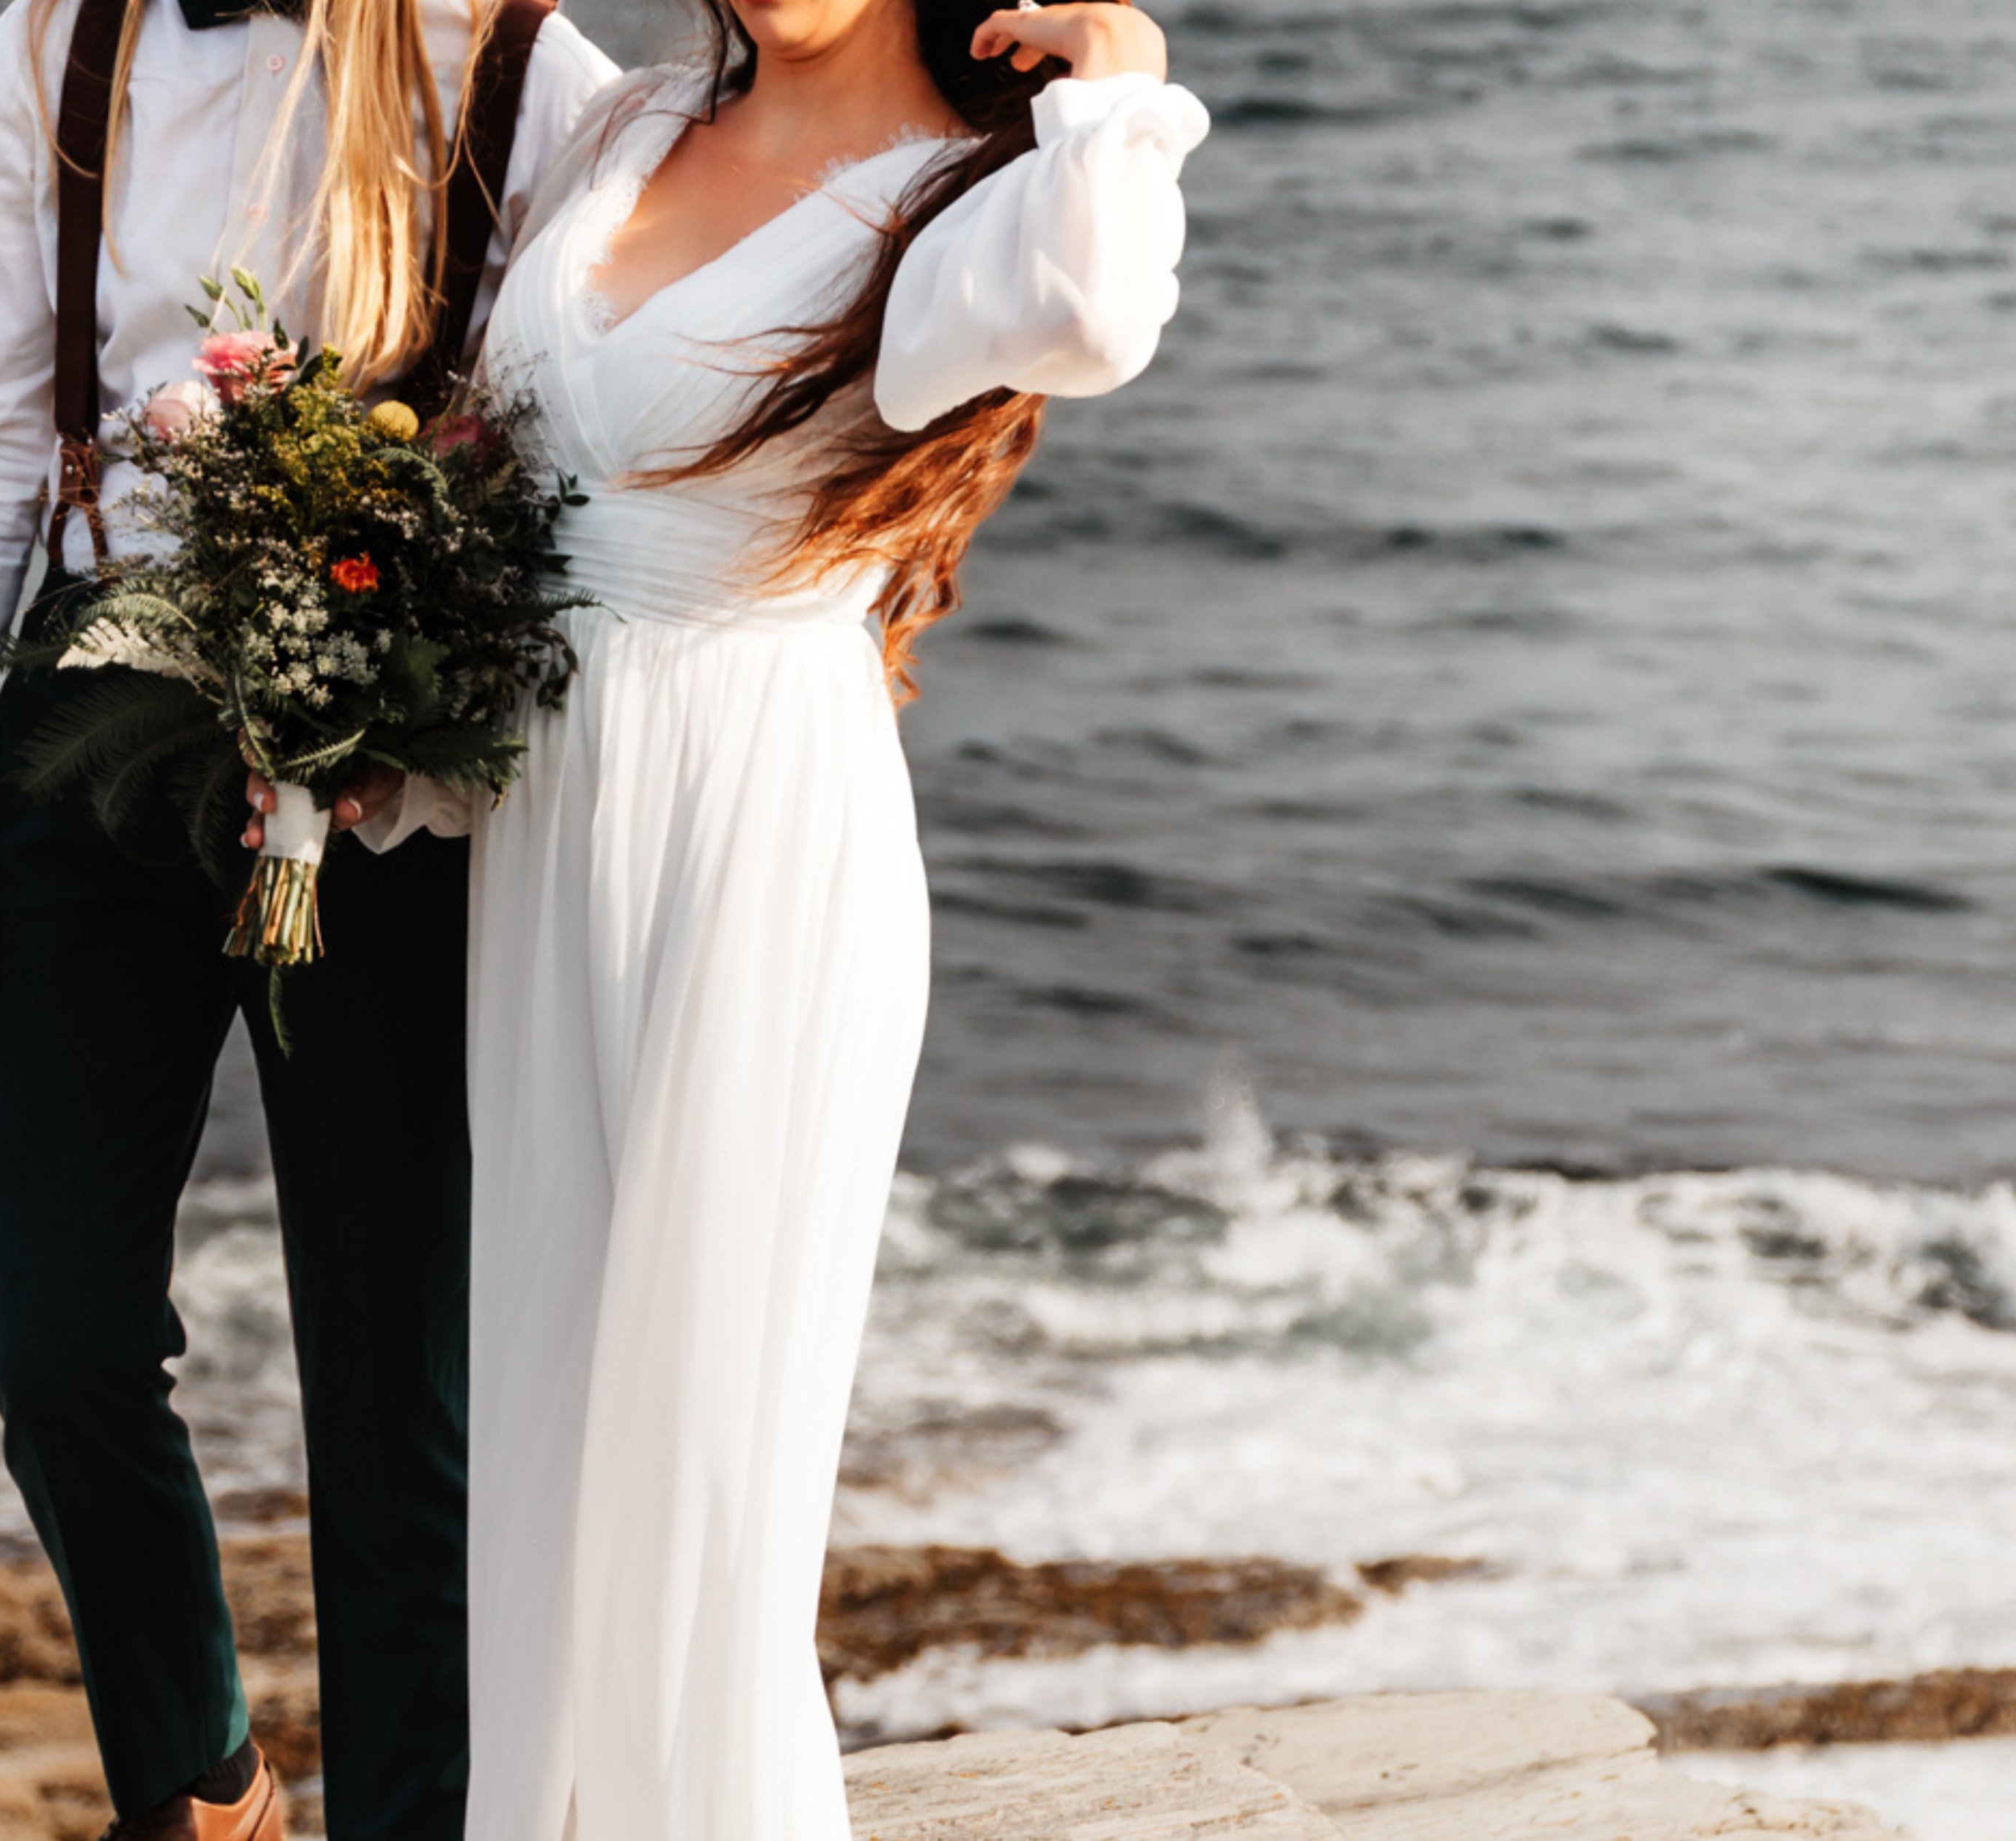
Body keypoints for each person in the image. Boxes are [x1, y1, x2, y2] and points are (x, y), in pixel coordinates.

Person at [337, 1, 1206, 1833]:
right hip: (546, 818)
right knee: (552, 1419)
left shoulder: (955, 198)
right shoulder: (629, 123)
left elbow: (1100, 312)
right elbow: (504, 463)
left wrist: (1117, 71)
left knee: (710, 1467)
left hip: (761, 830)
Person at [0, 1, 617, 1835]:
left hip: (388, 765)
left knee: (398, 1393)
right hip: (85, 719)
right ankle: (200, 1786)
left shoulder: (515, 62)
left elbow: (611, 419)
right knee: (56, 1344)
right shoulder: (61, 43)